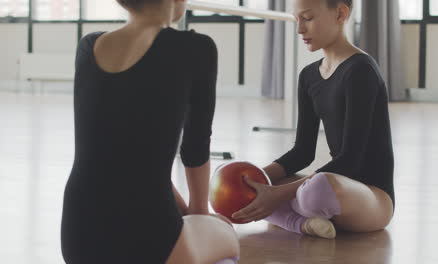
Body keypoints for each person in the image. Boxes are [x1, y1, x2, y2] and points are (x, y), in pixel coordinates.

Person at [60, 0, 240, 263]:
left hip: (78, 237)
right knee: (227, 235)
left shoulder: (88, 46)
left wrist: (181, 210)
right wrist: (199, 212)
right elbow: (195, 145)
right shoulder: (196, 48)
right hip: (149, 240)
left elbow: (123, 152)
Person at [232, 0, 395, 239]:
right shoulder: (308, 76)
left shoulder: (361, 71)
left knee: (316, 189)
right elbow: (302, 152)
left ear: (340, 14)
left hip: (372, 199)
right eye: (297, 20)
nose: (299, 30)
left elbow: (350, 159)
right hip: (335, 187)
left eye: (307, 19)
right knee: (256, 189)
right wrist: (252, 178)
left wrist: (277, 195)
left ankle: (291, 216)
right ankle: (302, 224)